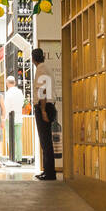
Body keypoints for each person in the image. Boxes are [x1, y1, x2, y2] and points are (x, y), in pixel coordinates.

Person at [33, 47, 58, 180]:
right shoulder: (45, 68)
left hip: (44, 106)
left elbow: (41, 91)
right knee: (46, 141)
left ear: (33, 59)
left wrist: (42, 111)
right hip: (48, 105)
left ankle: (49, 173)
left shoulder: (40, 69)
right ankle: (48, 170)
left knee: (45, 141)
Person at [3, 75, 24, 162]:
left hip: (10, 118)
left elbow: (6, 107)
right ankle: (19, 158)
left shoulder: (8, 93)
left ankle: (13, 157)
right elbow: (22, 104)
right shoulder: (20, 92)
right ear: (15, 83)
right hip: (19, 117)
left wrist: (4, 118)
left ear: (7, 83)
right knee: (18, 139)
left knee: (10, 138)